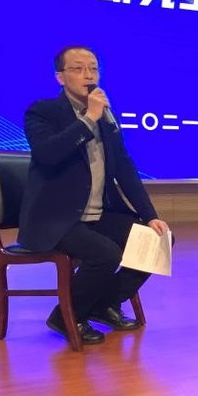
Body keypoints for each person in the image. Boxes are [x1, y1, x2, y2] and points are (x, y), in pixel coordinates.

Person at [17, 46, 171, 344]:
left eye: (93, 68)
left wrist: (150, 215)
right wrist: (88, 119)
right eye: (78, 68)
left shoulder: (106, 118)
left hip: (97, 215)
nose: (88, 75)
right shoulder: (43, 112)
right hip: (55, 218)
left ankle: (103, 304)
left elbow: (124, 168)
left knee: (159, 241)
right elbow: (48, 154)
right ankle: (65, 316)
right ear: (60, 77)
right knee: (106, 254)